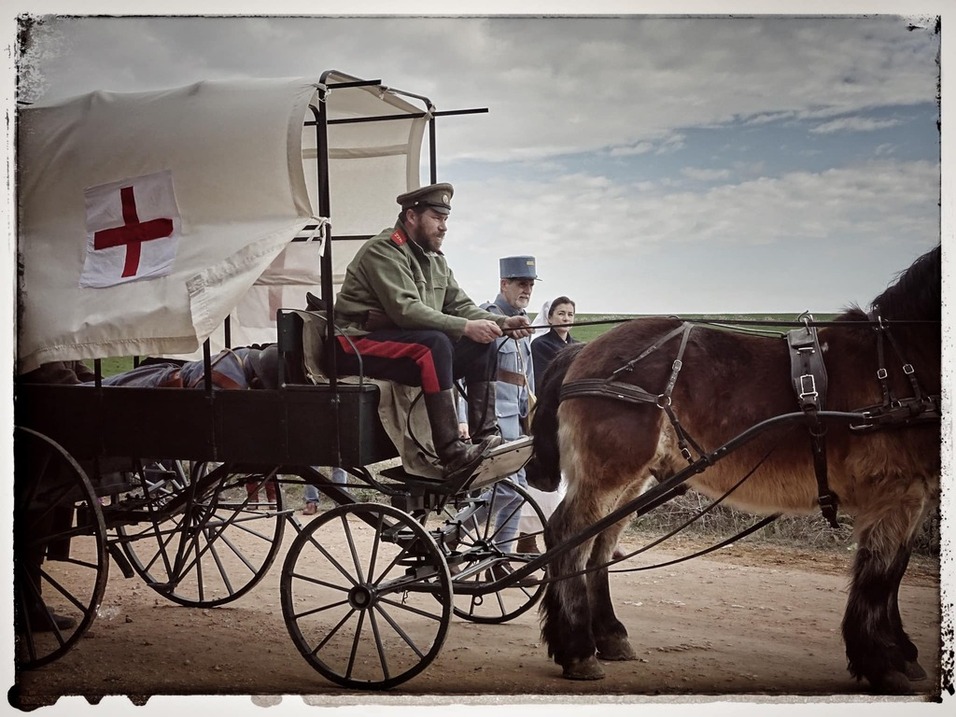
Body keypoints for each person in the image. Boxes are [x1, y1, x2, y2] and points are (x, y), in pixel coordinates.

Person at [331, 183, 533, 481]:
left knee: (484, 342)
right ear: (412, 217)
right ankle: (452, 453)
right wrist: (465, 327)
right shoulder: (383, 250)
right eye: (437, 218)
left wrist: (501, 324)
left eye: (446, 219)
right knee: (434, 344)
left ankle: (484, 438)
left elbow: (460, 305)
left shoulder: (436, 261)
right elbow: (406, 310)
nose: (444, 227)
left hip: (400, 345)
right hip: (355, 344)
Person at [457, 256, 539, 555]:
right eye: (520, 283)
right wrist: (462, 418)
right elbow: (465, 376)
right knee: (506, 490)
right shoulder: (487, 319)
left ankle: (500, 557)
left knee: (516, 493)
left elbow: (525, 378)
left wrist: (528, 416)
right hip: (489, 418)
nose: (526, 289)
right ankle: (454, 533)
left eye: (530, 284)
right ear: (504, 284)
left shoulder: (524, 323)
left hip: (514, 421)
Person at [518, 296, 581, 553]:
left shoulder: (577, 346)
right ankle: (528, 537)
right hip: (548, 415)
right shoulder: (541, 346)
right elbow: (545, 383)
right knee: (543, 480)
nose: (566, 318)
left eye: (570, 314)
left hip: (570, 416)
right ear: (550, 317)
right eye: (561, 313)